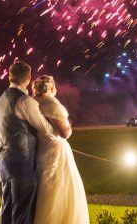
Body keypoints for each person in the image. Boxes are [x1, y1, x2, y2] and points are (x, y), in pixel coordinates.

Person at [0, 62, 55, 224]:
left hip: (3, 161)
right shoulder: (24, 101)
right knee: (23, 213)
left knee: (7, 210)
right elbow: (47, 129)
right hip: (22, 162)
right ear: (28, 78)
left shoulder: (1, 99)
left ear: (9, 75)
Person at [31, 75, 89, 224]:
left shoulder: (32, 102)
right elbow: (64, 133)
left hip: (39, 150)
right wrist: (68, 125)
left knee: (42, 189)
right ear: (51, 87)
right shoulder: (51, 103)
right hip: (55, 152)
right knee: (59, 190)